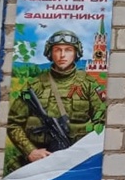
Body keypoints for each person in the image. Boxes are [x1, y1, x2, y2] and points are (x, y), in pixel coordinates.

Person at [6, 30, 105, 164]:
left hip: (78, 160)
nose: (62, 55)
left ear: (76, 53)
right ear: (50, 53)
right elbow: (13, 123)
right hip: (39, 159)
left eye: (68, 50)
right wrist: (30, 151)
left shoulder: (89, 85)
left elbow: (103, 124)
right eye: (57, 50)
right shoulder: (35, 85)